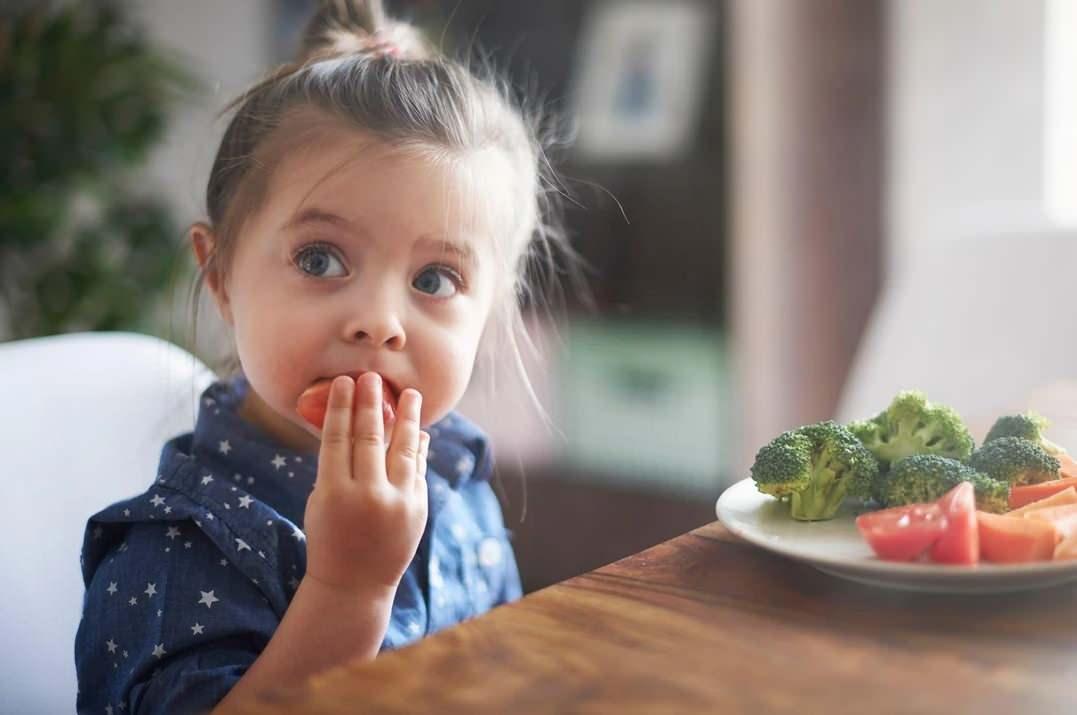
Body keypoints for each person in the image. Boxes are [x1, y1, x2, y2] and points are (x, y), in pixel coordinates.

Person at [74, 1, 577, 711]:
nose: (378, 322)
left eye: (434, 279)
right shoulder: (175, 549)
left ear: (489, 313)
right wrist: (348, 588)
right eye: (320, 258)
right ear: (220, 277)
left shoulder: (458, 477)